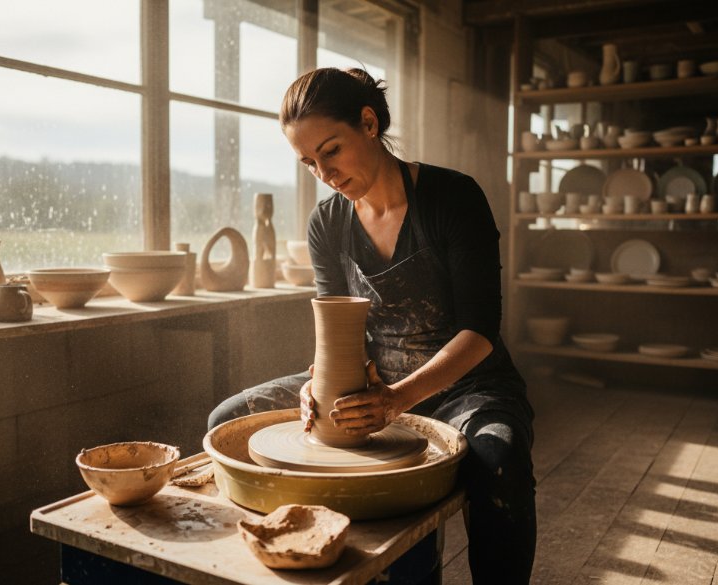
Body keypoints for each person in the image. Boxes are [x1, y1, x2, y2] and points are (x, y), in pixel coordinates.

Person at [207, 67, 537, 583]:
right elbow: (337, 334)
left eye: (331, 150)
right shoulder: (327, 223)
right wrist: (318, 384)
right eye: (308, 162)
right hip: (371, 383)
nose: (324, 172)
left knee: (500, 459)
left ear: (368, 123)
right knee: (226, 419)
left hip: (466, 384)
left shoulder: (453, 198)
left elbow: (480, 331)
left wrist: (397, 401)